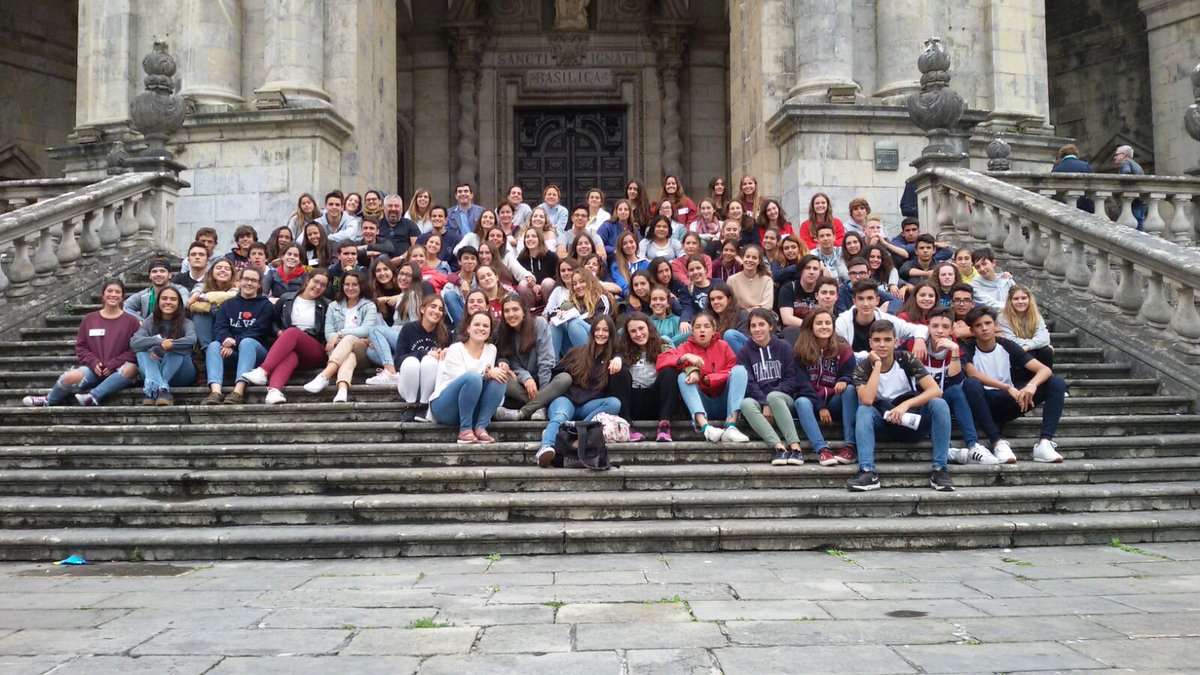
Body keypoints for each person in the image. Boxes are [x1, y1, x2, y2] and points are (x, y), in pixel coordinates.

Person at [850, 319, 955, 492]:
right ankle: (868, 472)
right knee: (863, 410)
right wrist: (876, 366)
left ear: (896, 342)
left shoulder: (905, 358)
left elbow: (935, 390)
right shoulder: (862, 368)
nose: (882, 345)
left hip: (911, 421)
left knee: (939, 404)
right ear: (870, 343)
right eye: (877, 340)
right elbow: (867, 400)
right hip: (883, 424)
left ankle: (940, 470)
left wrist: (905, 405)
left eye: (887, 340)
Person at [961, 306, 1067, 464]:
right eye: (978, 325)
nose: (984, 328)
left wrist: (1031, 386)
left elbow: (1044, 370)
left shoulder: (1007, 345)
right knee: (971, 384)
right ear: (972, 330)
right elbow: (973, 374)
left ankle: (1044, 443)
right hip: (985, 401)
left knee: (1056, 382)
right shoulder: (967, 348)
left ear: (995, 325)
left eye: (988, 323)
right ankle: (997, 442)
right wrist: (1007, 387)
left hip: (1014, 400)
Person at [23, 279, 140, 407]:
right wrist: (93, 362)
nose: (113, 294)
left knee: (131, 369)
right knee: (68, 377)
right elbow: (81, 347)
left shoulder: (131, 321)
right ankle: (49, 400)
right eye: (109, 291)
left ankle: (93, 396)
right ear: (103, 295)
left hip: (119, 370)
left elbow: (135, 349)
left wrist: (113, 364)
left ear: (122, 297)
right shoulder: (90, 319)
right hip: (94, 370)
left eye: (117, 292)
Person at [533, 316, 624, 467]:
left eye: (605, 330)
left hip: (587, 406)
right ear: (592, 332)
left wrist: (619, 359)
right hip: (566, 399)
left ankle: (569, 431)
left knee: (614, 403)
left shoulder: (613, 358)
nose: (600, 333)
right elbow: (557, 375)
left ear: (611, 334)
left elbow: (623, 356)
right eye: (597, 329)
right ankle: (545, 447)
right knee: (560, 415)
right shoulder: (577, 352)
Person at [915, 307, 995, 465]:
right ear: (928, 327)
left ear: (952, 329)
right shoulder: (916, 345)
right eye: (935, 326)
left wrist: (955, 350)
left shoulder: (957, 349)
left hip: (945, 399)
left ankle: (973, 445)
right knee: (935, 402)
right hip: (921, 402)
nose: (939, 331)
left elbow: (955, 379)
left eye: (945, 327)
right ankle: (948, 448)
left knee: (956, 390)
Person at [239, 271, 331, 404]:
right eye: (316, 282)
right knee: (291, 354)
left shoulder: (327, 305)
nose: (318, 287)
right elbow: (273, 322)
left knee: (292, 331)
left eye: (323, 285)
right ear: (307, 281)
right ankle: (274, 391)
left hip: (314, 350)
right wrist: (278, 332)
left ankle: (263, 370)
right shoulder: (286, 299)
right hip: (290, 346)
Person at [659, 312, 751, 444]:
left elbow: (732, 369)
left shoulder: (723, 346)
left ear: (714, 330)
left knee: (740, 370)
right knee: (683, 377)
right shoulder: (685, 347)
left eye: (706, 326)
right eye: (698, 327)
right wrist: (686, 359)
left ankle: (731, 427)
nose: (702, 330)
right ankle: (706, 428)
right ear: (692, 331)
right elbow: (663, 361)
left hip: (724, 401)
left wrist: (712, 379)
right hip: (701, 402)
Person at [737, 309, 810, 464]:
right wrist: (764, 403)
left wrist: (770, 400)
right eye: (753, 326)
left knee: (774, 396)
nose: (757, 329)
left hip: (784, 400)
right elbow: (750, 383)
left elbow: (791, 380)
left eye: (761, 324)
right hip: (761, 401)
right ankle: (779, 448)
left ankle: (795, 447)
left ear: (770, 326)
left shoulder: (783, 347)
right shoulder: (745, 352)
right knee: (745, 404)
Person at [427, 311, 507, 443]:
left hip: (471, 407)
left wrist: (494, 372)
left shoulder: (491, 349)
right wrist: (486, 373)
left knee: (500, 378)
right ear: (468, 328)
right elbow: (464, 378)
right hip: (446, 407)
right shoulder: (455, 349)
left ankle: (481, 427)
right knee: (473, 378)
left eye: (486, 326)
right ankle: (465, 430)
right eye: (477, 324)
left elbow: (487, 380)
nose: (481, 328)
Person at [792, 309, 858, 467]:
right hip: (812, 403)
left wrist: (844, 379)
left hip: (834, 401)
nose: (824, 326)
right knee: (801, 401)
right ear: (811, 326)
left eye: (828, 323)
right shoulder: (800, 350)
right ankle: (822, 449)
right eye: (819, 323)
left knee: (849, 389)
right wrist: (820, 407)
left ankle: (850, 447)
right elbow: (802, 384)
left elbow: (852, 374)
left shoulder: (843, 349)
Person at [304, 270, 379, 402]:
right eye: (347, 284)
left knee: (349, 338)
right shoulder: (334, 306)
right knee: (349, 355)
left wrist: (340, 333)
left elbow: (366, 329)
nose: (350, 288)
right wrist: (336, 337)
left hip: (362, 351)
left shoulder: (369, 305)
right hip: (339, 349)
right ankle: (342, 389)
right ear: (342, 285)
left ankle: (324, 376)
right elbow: (328, 332)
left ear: (361, 286)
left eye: (355, 284)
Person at [203, 267, 274, 405]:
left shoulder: (265, 305)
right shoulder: (227, 305)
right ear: (239, 281)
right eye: (246, 279)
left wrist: (234, 342)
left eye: (253, 280)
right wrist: (225, 340)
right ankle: (215, 392)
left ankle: (238, 391)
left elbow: (259, 331)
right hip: (231, 352)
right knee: (213, 345)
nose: (249, 283)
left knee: (247, 342)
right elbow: (219, 328)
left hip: (256, 353)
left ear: (259, 285)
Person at [493, 296, 567, 421]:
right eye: (507, 311)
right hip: (522, 384)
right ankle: (541, 405)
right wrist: (526, 378)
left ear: (524, 311)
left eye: (515, 309)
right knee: (500, 378)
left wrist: (543, 391)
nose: (511, 314)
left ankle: (522, 412)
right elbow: (511, 363)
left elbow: (546, 361)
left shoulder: (539, 323)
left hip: (545, 380)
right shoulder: (502, 332)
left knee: (565, 379)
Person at [610, 311, 679, 441]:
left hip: (655, 400)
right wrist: (618, 359)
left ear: (649, 327)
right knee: (618, 372)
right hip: (633, 402)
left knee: (670, 371)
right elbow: (617, 359)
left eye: (641, 328)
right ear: (628, 335)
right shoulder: (622, 350)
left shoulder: (663, 345)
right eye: (633, 331)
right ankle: (626, 424)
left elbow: (675, 360)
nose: (638, 334)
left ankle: (664, 425)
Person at [128, 285, 197, 407]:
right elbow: (134, 342)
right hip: (155, 367)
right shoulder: (151, 320)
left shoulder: (186, 322)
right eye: (164, 298)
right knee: (142, 351)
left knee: (175, 349)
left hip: (182, 373)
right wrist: (158, 342)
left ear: (179, 303)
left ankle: (153, 390)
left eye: (173, 299)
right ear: (158, 302)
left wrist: (171, 344)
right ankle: (162, 390)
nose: (168, 302)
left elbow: (191, 339)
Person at [389, 295, 452, 421]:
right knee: (412, 362)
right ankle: (411, 406)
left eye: (440, 309)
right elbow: (397, 362)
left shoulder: (445, 332)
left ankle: (424, 405)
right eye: (433, 307)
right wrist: (424, 353)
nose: (437, 311)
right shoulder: (408, 329)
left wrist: (446, 353)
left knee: (430, 362)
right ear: (423, 309)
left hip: (432, 387)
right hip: (408, 385)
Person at [836, 280, 928, 361]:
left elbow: (921, 328)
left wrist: (920, 339)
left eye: (870, 298)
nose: (866, 303)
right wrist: (868, 356)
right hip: (852, 372)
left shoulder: (887, 319)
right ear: (854, 302)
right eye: (861, 299)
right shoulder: (842, 322)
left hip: (884, 371)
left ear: (877, 300)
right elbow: (842, 354)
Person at [999, 285, 1053, 367]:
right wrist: (1035, 344)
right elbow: (1010, 341)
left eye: (1024, 298)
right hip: (1013, 354)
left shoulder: (1036, 316)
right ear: (1010, 301)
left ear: (1029, 299)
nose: (1020, 301)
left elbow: (1044, 338)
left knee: (1046, 351)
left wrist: (1028, 346)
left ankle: (1046, 377)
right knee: (1033, 352)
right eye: (1016, 299)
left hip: (1028, 350)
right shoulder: (1002, 317)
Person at [188, 258, 237, 348]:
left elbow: (235, 296)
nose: (222, 270)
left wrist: (205, 297)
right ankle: (207, 349)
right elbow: (192, 303)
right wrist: (214, 306)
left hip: (229, 322)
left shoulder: (236, 287)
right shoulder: (201, 286)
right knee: (200, 315)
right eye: (218, 268)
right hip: (208, 320)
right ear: (212, 271)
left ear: (232, 274)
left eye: (227, 269)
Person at [726, 243, 773, 311]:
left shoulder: (767, 280)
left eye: (754, 258)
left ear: (759, 261)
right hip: (740, 318)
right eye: (747, 256)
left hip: (761, 316)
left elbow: (768, 305)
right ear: (742, 258)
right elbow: (729, 304)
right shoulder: (732, 280)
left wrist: (749, 311)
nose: (750, 260)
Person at [1051, 143, 1096, 213]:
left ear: (1062, 155)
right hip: (1085, 204)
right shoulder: (1085, 166)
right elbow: (1093, 184)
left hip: (1063, 205)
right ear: (1076, 153)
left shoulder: (1057, 168)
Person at [1114, 144, 1147, 230]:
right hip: (1140, 200)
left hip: (1133, 202)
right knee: (1140, 226)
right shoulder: (1136, 164)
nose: (1115, 157)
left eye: (1117, 154)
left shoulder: (1126, 162)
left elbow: (1126, 174)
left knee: (1131, 228)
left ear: (1124, 155)